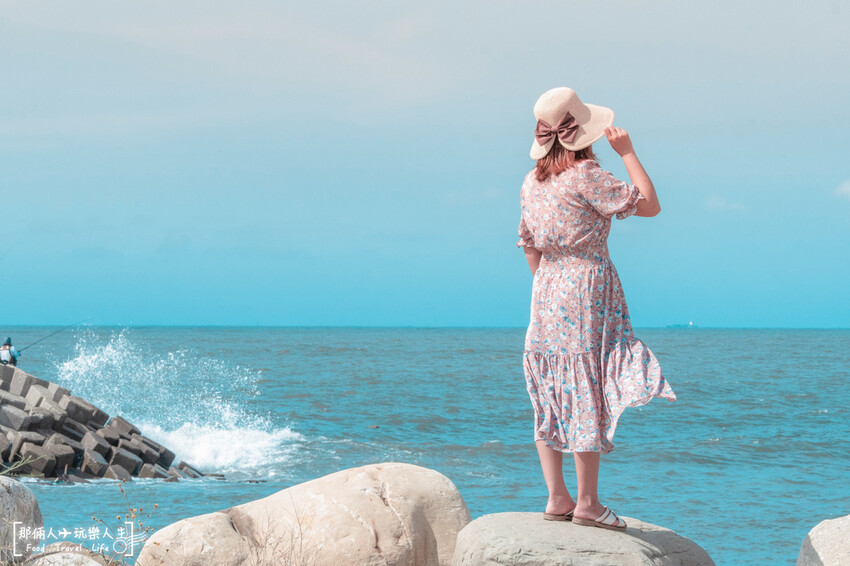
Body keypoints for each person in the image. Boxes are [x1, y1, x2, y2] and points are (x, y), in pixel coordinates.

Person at [516, 87, 677, 531]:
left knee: (549, 385)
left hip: (547, 289)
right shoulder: (586, 174)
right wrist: (627, 152)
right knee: (586, 381)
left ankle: (556, 496)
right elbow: (650, 205)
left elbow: (528, 245)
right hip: (587, 286)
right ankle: (587, 502)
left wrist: (550, 285)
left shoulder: (531, 182)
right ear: (581, 134)